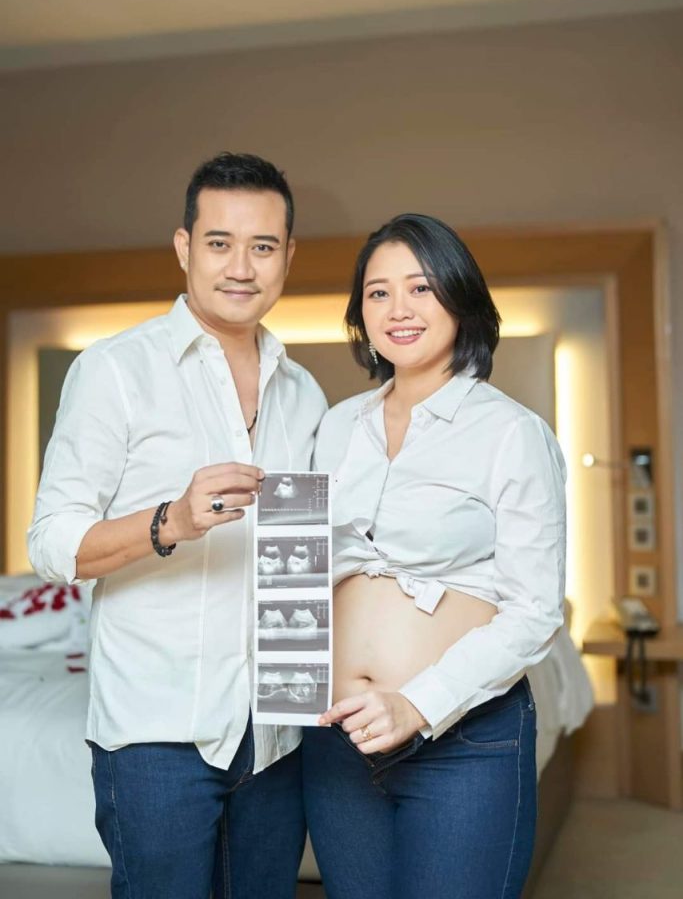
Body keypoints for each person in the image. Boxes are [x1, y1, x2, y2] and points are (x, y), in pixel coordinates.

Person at [28, 152, 327, 899]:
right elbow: (51, 543)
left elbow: (300, 560)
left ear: (288, 256)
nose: (241, 267)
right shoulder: (115, 371)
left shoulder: (305, 394)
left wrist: (307, 704)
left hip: (276, 737)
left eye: (263, 246)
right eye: (220, 243)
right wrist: (170, 521)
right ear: (184, 247)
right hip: (155, 734)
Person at [303, 214, 566, 899]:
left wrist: (416, 704)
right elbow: (298, 567)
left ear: (460, 297)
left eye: (420, 287)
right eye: (378, 292)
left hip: (462, 743)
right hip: (337, 741)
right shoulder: (334, 426)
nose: (399, 308)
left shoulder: (511, 432)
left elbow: (534, 612)